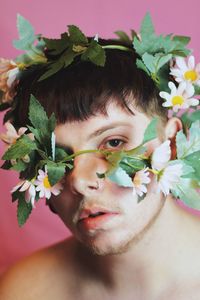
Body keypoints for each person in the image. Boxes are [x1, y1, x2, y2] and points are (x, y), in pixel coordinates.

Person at [0, 14, 199, 299]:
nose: (79, 180)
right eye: (56, 157)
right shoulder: (24, 292)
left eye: (114, 142)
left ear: (172, 145)